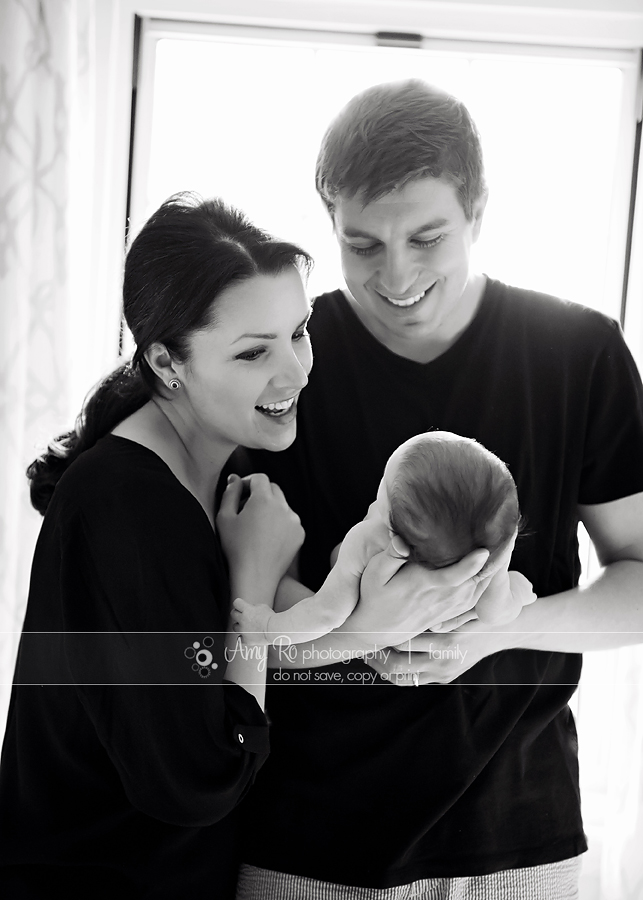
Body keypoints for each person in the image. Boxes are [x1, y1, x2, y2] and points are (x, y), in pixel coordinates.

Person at [229, 80, 643, 899]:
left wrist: (499, 632)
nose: (395, 277)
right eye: (362, 246)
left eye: (426, 238)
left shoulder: (577, 353)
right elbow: (239, 632)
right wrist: (363, 633)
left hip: (518, 837)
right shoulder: (282, 367)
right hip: (304, 839)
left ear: (478, 209)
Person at [0, 194, 316, 898]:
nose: (295, 371)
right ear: (166, 362)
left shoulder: (217, 468)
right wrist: (253, 591)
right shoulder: (124, 507)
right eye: (254, 352)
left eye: (299, 332)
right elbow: (199, 780)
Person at [231, 431, 528, 646]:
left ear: (390, 518)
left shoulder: (369, 540)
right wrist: (518, 590)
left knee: (339, 566)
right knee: (505, 593)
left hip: (365, 629)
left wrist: (268, 628)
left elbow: (324, 614)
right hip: (430, 640)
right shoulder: (482, 556)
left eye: (383, 488)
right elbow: (495, 613)